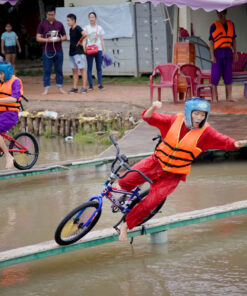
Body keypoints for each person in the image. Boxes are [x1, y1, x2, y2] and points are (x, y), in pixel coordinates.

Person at [118, 98, 247, 241]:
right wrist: (153, 107)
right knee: (125, 180)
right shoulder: (173, 121)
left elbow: (224, 141)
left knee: (151, 202)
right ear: (188, 112)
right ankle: (127, 194)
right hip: (156, 162)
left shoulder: (206, 133)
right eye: (196, 114)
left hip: (173, 175)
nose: (199, 118)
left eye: (203, 115)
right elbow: (147, 117)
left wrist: (237, 143)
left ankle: (126, 225)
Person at [36, 5, 67, 95]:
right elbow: (38, 38)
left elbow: (65, 36)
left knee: (59, 69)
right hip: (47, 50)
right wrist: (47, 40)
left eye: (53, 15)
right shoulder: (42, 24)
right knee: (47, 69)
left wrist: (59, 39)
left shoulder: (59, 24)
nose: (51, 16)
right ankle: (46, 88)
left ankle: (60, 87)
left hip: (58, 49)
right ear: (46, 14)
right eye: (49, 15)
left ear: (55, 14)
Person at [209, 9, 238, 102]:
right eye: (218, 13)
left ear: (225, 13)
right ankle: (214, 97)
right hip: (217, 52)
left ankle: (229, 96)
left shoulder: (231, 24)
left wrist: (235, 52)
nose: (220, 15)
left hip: (228, 52)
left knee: (228, 74)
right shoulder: (213, 25)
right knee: (215, 74)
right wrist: (212, 56)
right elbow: (211, 42)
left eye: (222, 13)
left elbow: (233, 39)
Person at [0, 62, 23, 169]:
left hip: (10, 114)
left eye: (1, 73)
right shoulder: (1, 82)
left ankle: (8, 156)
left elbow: (14, 98)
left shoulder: (16, 82)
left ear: (7, 73)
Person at [84, 12, 106, 91]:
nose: (92, 18)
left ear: (95, 18)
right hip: (89, 49)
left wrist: (104, 50)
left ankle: (100, 84)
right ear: (88, 18)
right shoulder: (86, 28)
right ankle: (90, 85)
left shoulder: (99, 28)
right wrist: (84, 49)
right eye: (90, 17)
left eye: (93, 17)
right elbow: (85, 39)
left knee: (99, 67)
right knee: (89, 68)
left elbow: (101, 39)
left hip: (98, 49)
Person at [67, 13, 87, 94]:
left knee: (82, 69)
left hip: (78, 52)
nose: (67, 22)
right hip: (71, 52)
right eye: (67, 20)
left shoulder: (78, 28)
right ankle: (75, 88)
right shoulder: (70, 29)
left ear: (73, 20)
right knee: (74, 71)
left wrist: (80, 41)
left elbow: (85, 34)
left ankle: (84, 87)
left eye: (68, 20)